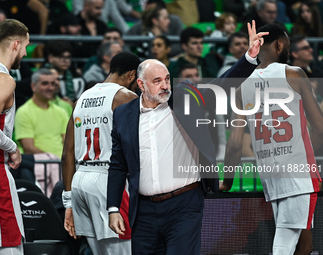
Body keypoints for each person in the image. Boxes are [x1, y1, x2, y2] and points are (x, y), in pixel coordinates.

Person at [107, 21, 268, 254]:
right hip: (142, 211)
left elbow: (221, 85)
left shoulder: (184, 99)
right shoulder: (123, 114)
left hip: (184, 205)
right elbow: (117, 165)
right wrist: (113, 208)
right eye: (157, 81)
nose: (165, 86)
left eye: (167, 78)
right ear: (140, 84)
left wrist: (249, 58)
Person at [220, 23, 323, 255]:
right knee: (285, 244)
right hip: (298, 173)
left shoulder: (241, 85)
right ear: (279, 44)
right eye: (286, 44)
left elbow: (235, 143)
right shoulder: (294, 74)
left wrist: (227, 181)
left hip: (269, 172)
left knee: (304, 241)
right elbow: (320, 127)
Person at [61, 52, 141, 255]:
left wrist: (68, 202)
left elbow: (67, 153)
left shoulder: (82, 98)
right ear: (132, 75)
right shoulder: (125, 97)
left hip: (80, 182)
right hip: (108, 181)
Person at [0, 19, 29, 254]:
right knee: (9, 248)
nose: (26, 52)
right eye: (26, 47)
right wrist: (12, 146)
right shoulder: (3, 79)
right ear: (16, 44)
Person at [14, 68, 69, 195]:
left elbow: (67, 142)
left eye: (53, 84)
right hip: (38, 166)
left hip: (62, 166)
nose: (50, 87)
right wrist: (54, 160)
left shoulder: (61, 112)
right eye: (45, 83)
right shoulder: (24, 112)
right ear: (33, 86)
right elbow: (28, 148)